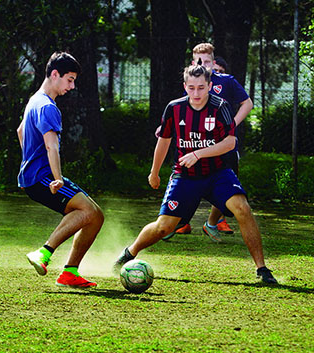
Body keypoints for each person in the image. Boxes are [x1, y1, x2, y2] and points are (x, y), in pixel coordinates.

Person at [114, 64, 277, 284]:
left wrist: (198, 154)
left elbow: (230, 143)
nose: (196, 93)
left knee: (242, 208)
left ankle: (262, 269)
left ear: (210, 86)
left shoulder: (221, 106)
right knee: (164, 227)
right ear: (185, 87)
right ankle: (129, 253)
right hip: (185, 176)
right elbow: (163, 142)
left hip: (218, 173)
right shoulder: (174, 108)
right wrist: (154, 173)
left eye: (201, 87)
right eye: (191, 88)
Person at [18, 52, 104, 288]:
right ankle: (44, 254)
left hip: (33, 177)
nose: (72, 86)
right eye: (69, 79)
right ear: (54, 74)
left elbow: (20, 131)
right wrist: (56, 178)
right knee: (88, 212)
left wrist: (29, 160)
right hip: (43, 178)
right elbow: (51, 145)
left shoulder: (35, 100)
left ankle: (70, 272)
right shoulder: (47, 107)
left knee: (95, 215)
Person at [164, 43, 253, 242]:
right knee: (187, 186)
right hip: (193, 148)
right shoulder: (193, 85)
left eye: (206, 61)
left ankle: (212, 222)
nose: (202, 65)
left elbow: (248, 104)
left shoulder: (226, 82)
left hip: (221, 148)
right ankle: (176, 222)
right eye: (198, 61)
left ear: (213, 63)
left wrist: (232, 124)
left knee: (225, 187)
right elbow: (179, 113)